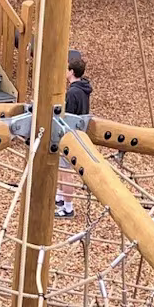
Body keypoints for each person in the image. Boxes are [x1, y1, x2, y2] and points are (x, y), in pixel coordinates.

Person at [57, 51, 92, 217]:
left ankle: (68, 207)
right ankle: (60, 197)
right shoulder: (83, 89)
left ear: (71, 72)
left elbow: (67, 116)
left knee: (66, 171)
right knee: (60, 168)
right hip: (78, 131)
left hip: (70, 134)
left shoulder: (72, 93)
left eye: (66, 69)